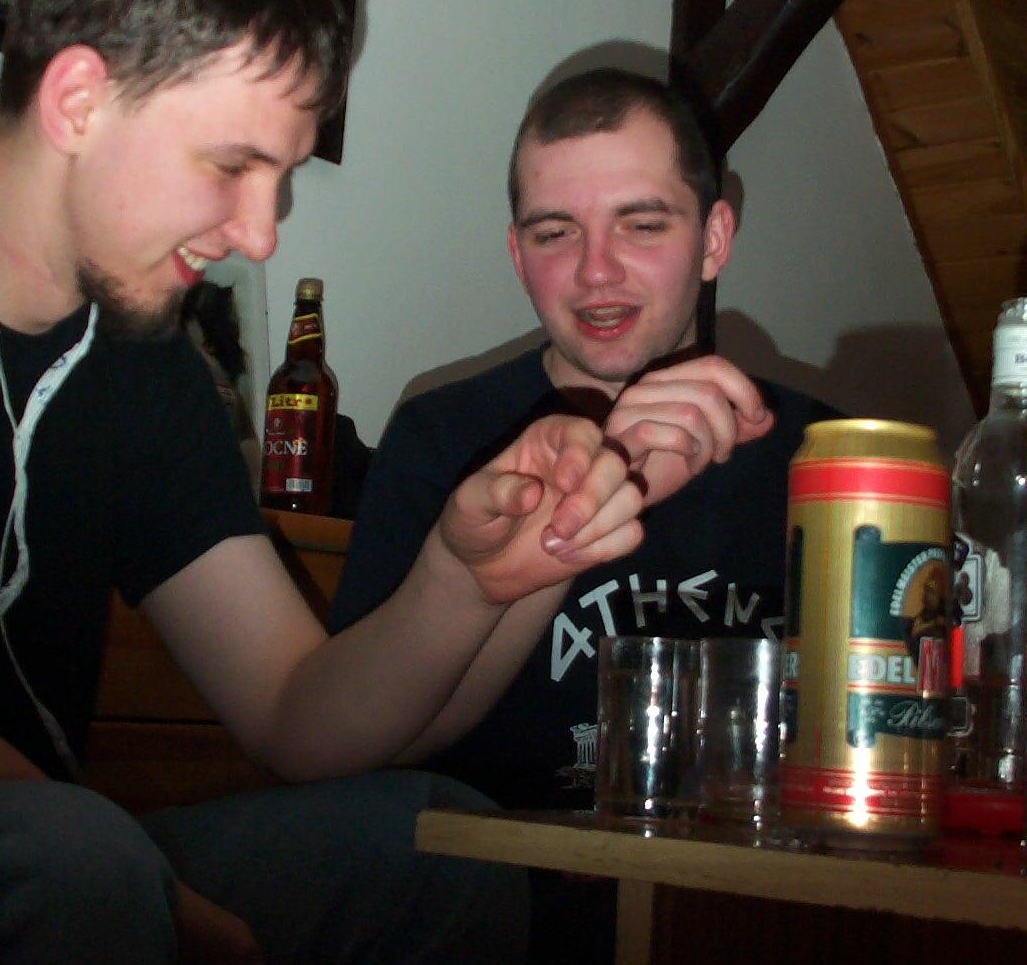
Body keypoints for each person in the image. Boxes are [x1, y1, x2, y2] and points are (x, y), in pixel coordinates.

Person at [0, 0, 764, 965]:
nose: (262, 230)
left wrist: (469, 575)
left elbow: (295, 713)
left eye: (279, 177)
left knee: (432, 844)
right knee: (71, 870)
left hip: (64, 869)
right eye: (234, 165)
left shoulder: (147, 365)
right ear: (77, 98)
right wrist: (181, 919)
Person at [332, 66, 834, 808]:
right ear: (517, 256)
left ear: (714, 238)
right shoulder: (441, 437)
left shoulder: (827, 459)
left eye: (642, 225)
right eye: (555, 233)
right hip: (501, 869)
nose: (596, 272)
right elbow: (359, 751)